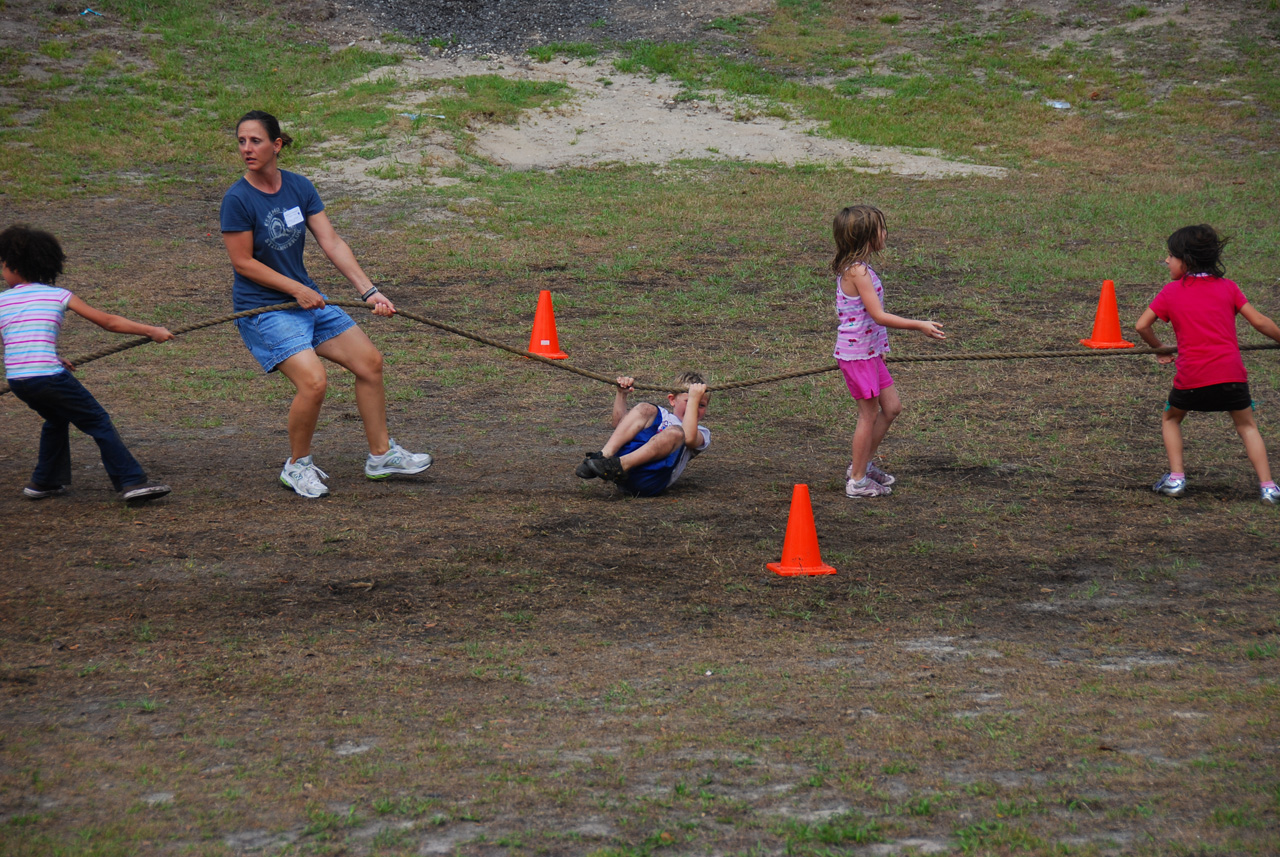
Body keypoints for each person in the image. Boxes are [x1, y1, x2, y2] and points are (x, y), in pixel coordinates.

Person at [220, 110, 431, 499]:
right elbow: (243, 262)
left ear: (277, 145)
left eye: (256, 141)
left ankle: (381, 455)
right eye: (241, 141)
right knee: (314, 382)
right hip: (265, 311)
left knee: (369, 362)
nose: (247, 149)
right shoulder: (238, 199)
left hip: (309, 303)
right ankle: (296, 466)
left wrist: (369, 291)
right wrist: (294, 289)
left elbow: (331, 241)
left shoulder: (299, 187)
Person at [0, 225, 172, 503]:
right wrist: (151, 330)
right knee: (98, 421)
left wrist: (51, 356)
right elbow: (108, 322)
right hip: (49, 377)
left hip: (20, 381)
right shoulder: (58, 296)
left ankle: (44, 482)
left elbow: (19, 339)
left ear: (12, 266)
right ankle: (131, 481)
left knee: (56, 419)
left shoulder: (2, 300)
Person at [1135, 224, 1280, 504]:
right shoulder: (1228, 288)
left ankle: (1176, 479)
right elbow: (1260, 322)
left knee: (1171, 417)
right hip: (1232, 377)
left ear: (1186, 261)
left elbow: (1141, 326)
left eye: (1171, 256)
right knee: (1247, 425)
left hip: (1192, 379)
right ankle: (1269, 487)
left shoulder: (1170, 292)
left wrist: (1160, 349)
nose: (1166, 261)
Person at [831, 205, 945, 498]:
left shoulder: (862, 269)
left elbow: (868, 318)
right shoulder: (857, 271)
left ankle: (862, 465)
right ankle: (856, 480)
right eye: (881, 229)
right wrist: (919, 325)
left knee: (892, 407)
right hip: (856, 356)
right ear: (866, 237)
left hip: (869, 353)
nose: (885, 233)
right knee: (867, 415)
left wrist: (882, 347)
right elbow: (878, 315)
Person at [575, 372, 710, 496]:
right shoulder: (660, 415)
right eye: (689, 402)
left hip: (648, 481)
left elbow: (689, 437)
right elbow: (620, 425)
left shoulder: (702, 433)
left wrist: (693, 398)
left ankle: (619, 466)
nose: (695, 408)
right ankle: (603, 456)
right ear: (672, 400)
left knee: (676, 433)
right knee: (646, 408)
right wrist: (622, 394)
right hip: (619, 467)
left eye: (701, 405)